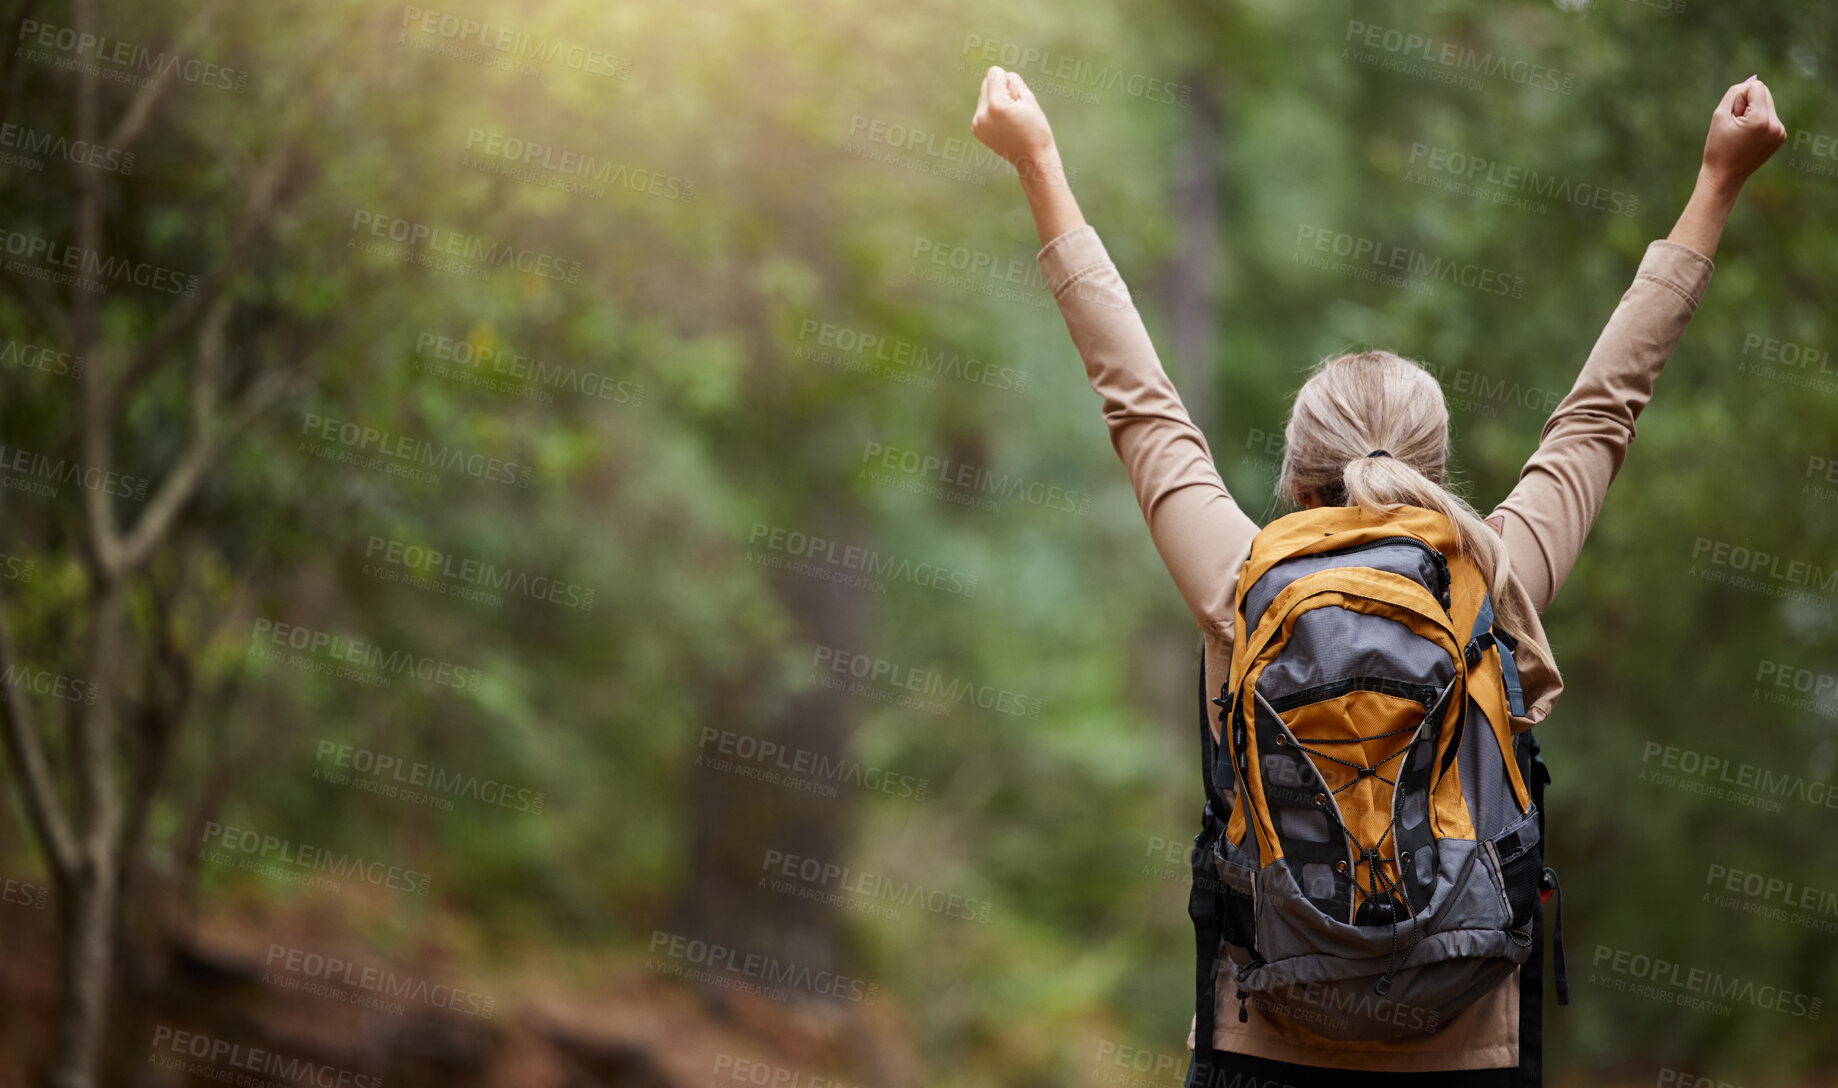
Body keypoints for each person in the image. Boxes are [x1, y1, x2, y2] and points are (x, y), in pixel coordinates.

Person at [969, 64, 1785, 1085]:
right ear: (1431, 467)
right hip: (1463, 1041)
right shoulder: (1487, 569)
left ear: (1296, 466)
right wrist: (1714, 183)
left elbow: (1135, 396)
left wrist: (1038, 163)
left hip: (1263, 1035)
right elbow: (1599, 410)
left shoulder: (1240, 574)